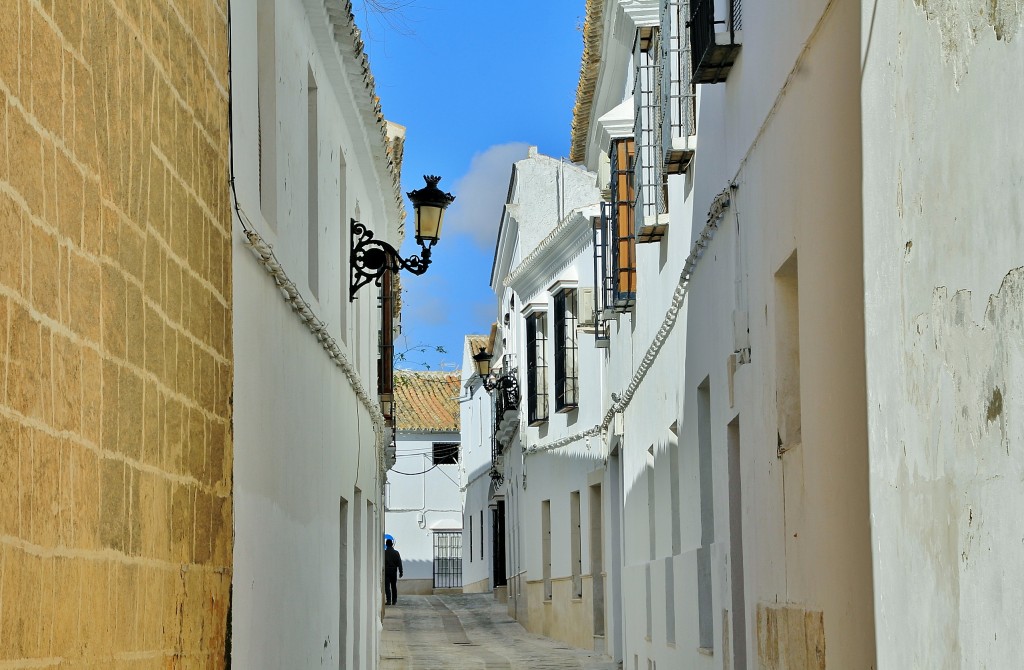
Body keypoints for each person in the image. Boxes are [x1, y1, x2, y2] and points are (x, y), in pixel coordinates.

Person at [384, 538, 403, 605]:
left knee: (387, 587)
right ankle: (394, 601)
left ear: (386, 544)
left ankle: (388, 600)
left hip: (386, 572)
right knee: (393, 586)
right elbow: (399, 563)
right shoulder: (396, 553)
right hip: (393, 572)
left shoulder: (384, 553)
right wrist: (401, 572)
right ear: (392, 545)